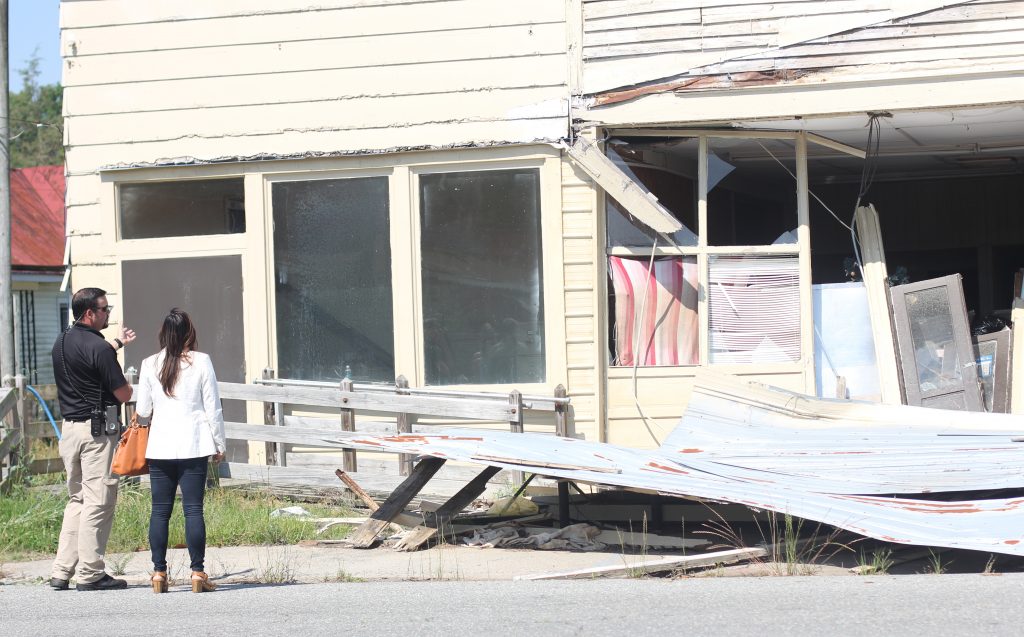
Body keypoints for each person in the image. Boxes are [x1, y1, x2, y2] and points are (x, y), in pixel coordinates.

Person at [50, 287, 136, 591]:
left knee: (77, 500)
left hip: (69, 431)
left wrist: (116, 344)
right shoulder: (98, 349)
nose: (108, 314)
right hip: (96, 432)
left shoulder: (61, 341)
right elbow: (123, 394)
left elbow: (89, 355)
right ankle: (90, 572)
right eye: (105, 309)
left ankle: (62, 570)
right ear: (90, 313)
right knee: (98, 501)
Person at [134, 309, 226, 594]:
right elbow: (213, 405)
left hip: (160, 445)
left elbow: (143, 411)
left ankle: (159, 573)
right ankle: (197, 572)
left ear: (163, 334)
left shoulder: (150, 363)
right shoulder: (201, 361)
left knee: (160, 511)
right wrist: (219, 443)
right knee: (193, 509)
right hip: (194, 443)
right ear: (189, 332)